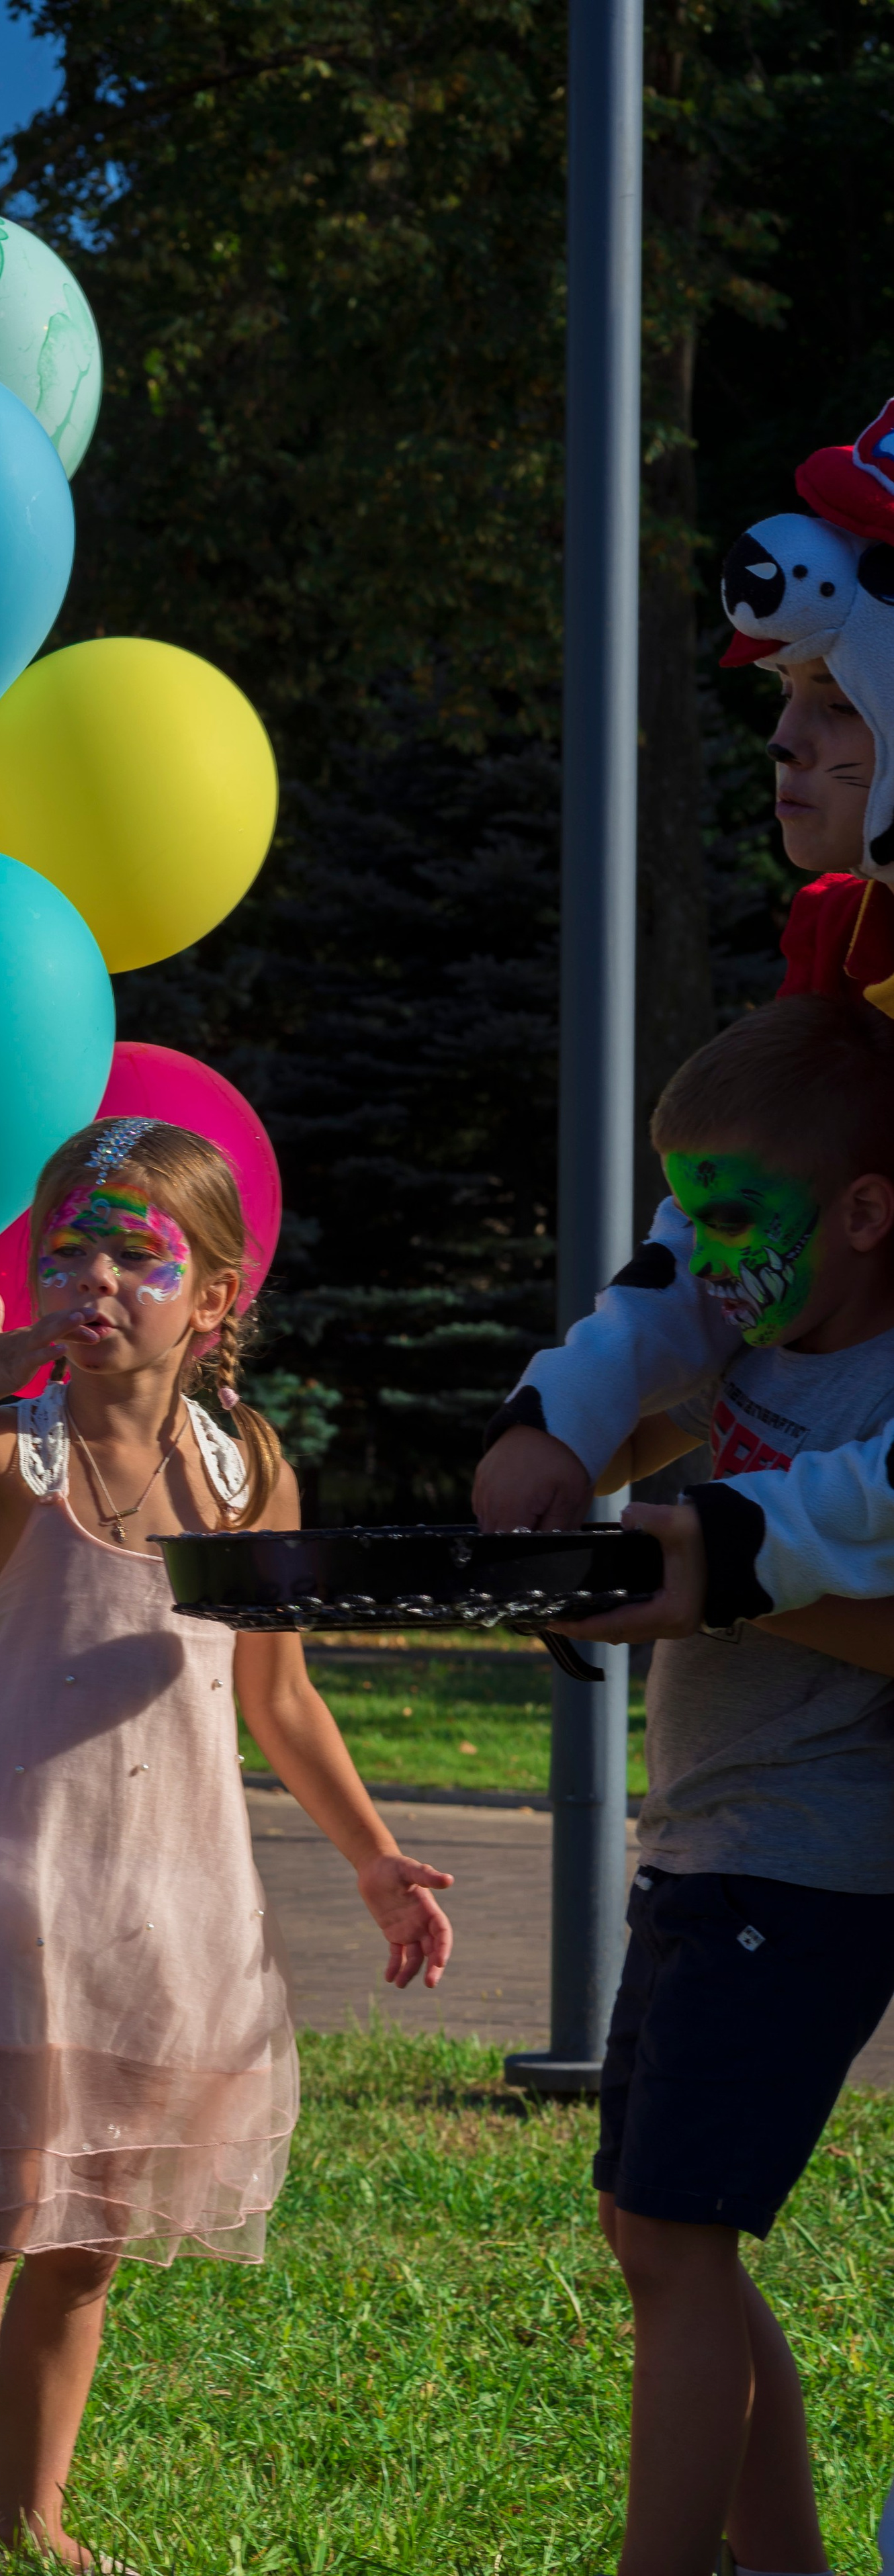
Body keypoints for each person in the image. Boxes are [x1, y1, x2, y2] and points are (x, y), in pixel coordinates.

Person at [0, 1115, 455, 2576]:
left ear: (214, 1297)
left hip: (166, 1899)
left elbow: (273, 1688)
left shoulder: (243, 1469)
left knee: (86, 2237)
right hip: (2, 1889)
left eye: (134, 1255)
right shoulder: (3, 1442)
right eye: (64, 1250)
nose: (91, 1278)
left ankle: (37, 2512)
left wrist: (367, 1854)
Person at [525, 1003, 894, 2576]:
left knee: (677, 2239)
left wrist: (710, 1578)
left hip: (802, 1864)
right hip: (706, 1843)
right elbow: (630, 1430)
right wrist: (557, 1472)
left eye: (731, 1212)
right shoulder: (750, 1348)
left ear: (862, 1210)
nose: (704, 1252)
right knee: (654, 2235)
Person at [476, 400, 894, 1631]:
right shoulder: (847, 933)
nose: (784, 738)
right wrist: (566, 1411)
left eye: (836, 699)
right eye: (785, 693)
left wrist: (733, 1547)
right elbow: (735, 1212)